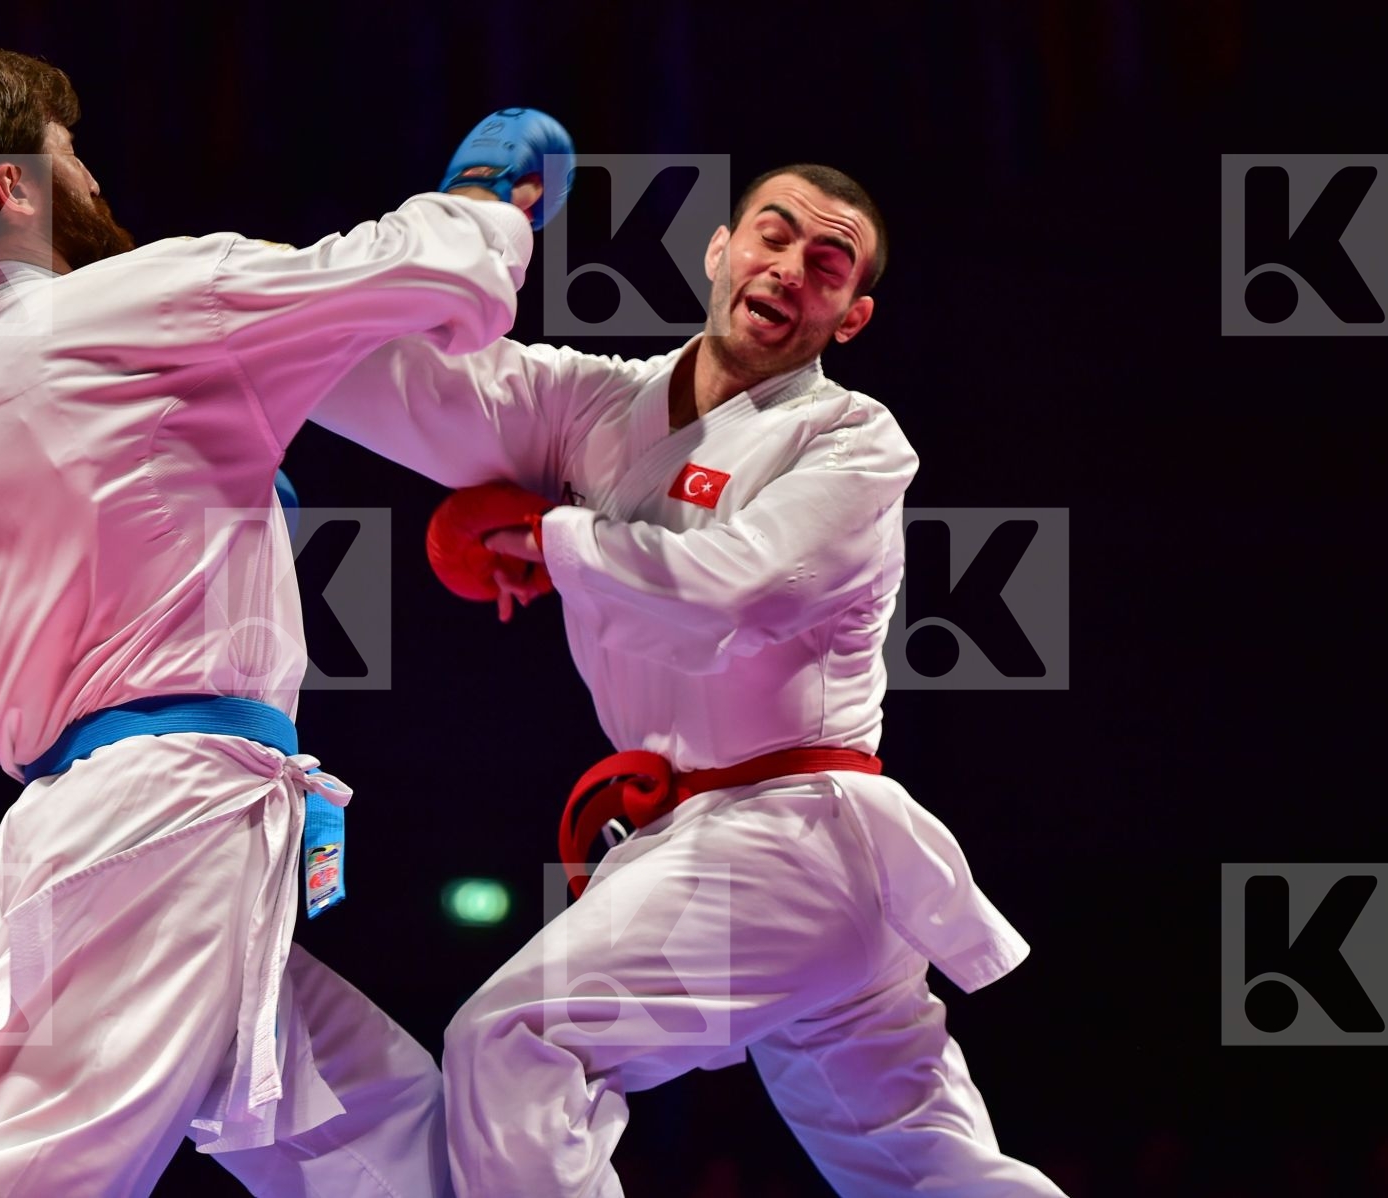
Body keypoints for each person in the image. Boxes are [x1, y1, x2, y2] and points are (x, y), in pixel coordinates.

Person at [0, 38, 569, 1197]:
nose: (90, 177)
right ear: (13, 185)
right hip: (168, 814)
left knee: (399, 1144)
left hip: (82, 824)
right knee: (48, 1173)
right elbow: (415, 279)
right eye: (68, 152)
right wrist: (483, 204)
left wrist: (136, 562)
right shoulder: (137, 301)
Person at [305, 164, 1069, 1195]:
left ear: (851, 316)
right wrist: (412, 241)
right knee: (929, 1172)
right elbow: (398, 385)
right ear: (720, 252)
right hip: (761, 859)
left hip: (787, 835)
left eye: (828, 264)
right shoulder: (596, 404)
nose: (792, 268)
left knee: (518, 1039)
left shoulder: (850, 439)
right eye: (774, 235)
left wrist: (550, 539)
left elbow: (736, 590)